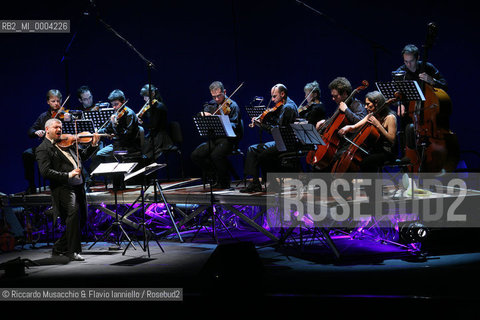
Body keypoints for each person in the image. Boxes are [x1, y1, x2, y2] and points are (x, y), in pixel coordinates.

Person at [35, 118, 100, 261]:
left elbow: (82, 156)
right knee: (73, 215)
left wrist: (94, 144)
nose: (59, 130)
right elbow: (45, 172)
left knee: (81, 219)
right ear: (47, 129)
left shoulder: (67, 144)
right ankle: (72, 251)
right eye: (56, 127)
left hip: (78, 186)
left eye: (61, 127)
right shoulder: (43, 149)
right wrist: (68, 175)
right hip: (63, 187)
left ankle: (59, 247)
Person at [240, 83, 298, 193]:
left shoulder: (288, 107)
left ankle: (273, 183)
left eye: (274, 96)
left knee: (263, 155)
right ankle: (255, 183)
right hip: (281, 141)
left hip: (287, 143)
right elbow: (278, 125)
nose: (272, 99)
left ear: (282, 94)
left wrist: (262, 125)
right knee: (251, 149)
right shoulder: (285, 105)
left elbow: (277, 131)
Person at [394, 44, 448, 155]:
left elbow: (444, 86)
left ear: (418, 58)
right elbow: (395, 95)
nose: (408, 65)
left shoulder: (428, 67)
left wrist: (431, 80)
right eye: (405, 61)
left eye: (411, 61)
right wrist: (400, 104)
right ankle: (407, 164)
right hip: (410, 115)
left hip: (428, 113)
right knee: (406, 133)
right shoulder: (400, 72)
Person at [190, 81, 242, 189]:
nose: (217, 99)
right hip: (215, 139)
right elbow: (202, 116)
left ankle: (224, 181)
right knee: (196, 155)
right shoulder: (211, 104)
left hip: (229, 140)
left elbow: (236, 125)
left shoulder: (233, 105)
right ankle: (214, 175)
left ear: (224, 92)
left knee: (215, 155)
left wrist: (222, 121)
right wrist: (202, 114)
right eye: (214, 97)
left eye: (219, 96)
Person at [338, 91, 397, 172]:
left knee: (367, 162)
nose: (365, 107)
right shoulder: (370, 116)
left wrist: (378, 125)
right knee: (358, 159)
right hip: (375, 150)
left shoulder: (390, 118)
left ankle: (373, 184)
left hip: (387, 152)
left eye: (368, 104)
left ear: (376, 103)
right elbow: (355, 127)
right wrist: (347, 128)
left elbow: (392, 139)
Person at [22, 89, 64, 194]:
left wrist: (69, 119)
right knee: (27, 154)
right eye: (53, 101)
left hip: (60, 147)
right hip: (45, 148)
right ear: (48, 102)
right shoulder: (43, 117)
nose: (56, 104)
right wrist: (37, 132)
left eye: (58, 101)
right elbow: (30, 130)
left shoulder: (64, 116)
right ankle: (31, 185)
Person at [94, 89, 141, 164]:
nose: (114, 107)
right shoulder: (117, 114)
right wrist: (96, 132)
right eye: (112, 105)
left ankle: (117, 173)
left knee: (107, 156)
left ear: (123, 102)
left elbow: (127, 135)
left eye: (116, 104)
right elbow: (107, 129)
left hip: (129, 145)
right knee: (99, 154)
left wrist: (115, 125)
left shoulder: (129, 114)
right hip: (118, 144)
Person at [138, 84, 172, 161]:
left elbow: (153, 126)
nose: (144, 99)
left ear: (153, 94)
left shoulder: (159, 107)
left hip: (160, 137)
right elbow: (147, 117)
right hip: (153, 135)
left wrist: (141, 122)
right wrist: (138, 116)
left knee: (145, 154)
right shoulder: (152, 107)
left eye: (145, 96)